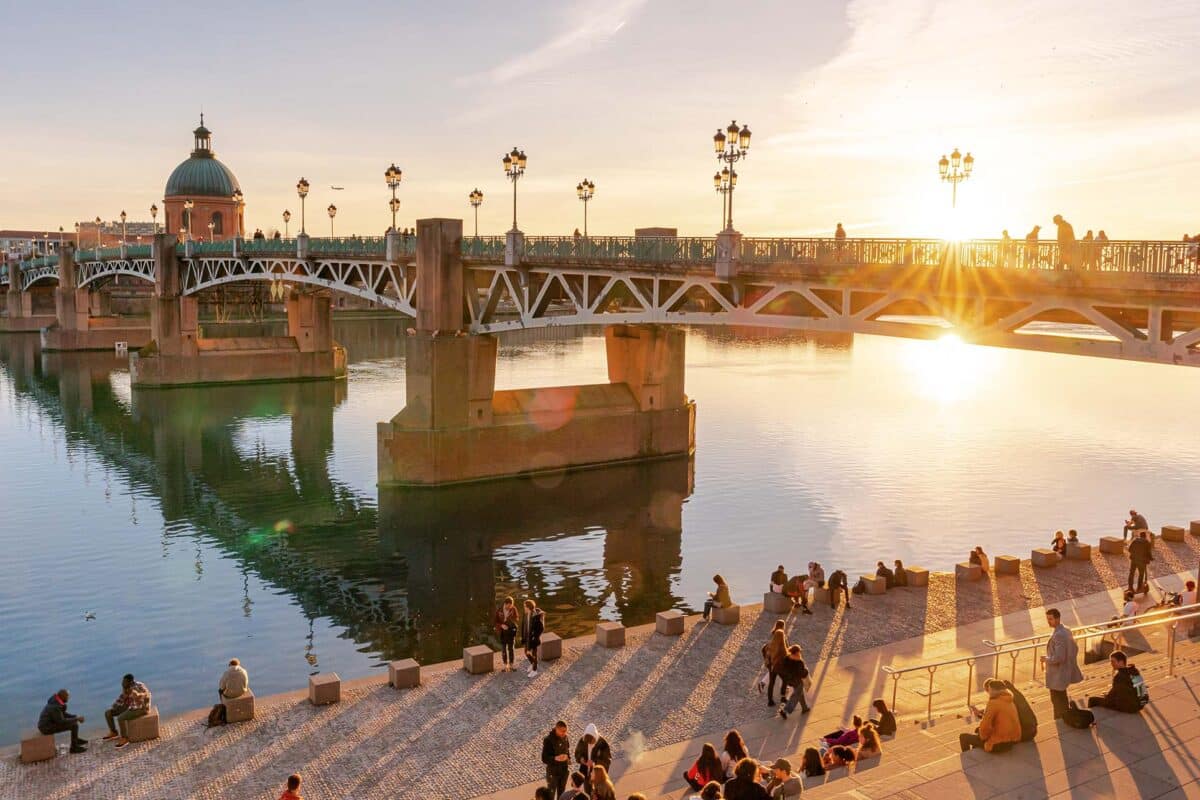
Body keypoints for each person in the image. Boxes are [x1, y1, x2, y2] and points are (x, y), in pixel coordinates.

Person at [959, 679, 1022, 752]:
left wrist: (981, 735)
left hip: (997, 745)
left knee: (963, 737)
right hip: (1010, 742)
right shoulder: (1010, 700)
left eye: (989, 690)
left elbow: (985, 727)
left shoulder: (993, 703)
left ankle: (968, 757)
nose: (988, 692)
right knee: (977, 733)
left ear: (992, 690)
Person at [1041, 608, 1083, 719]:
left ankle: (1061, 718)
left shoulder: (1058, 635)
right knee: (1061, 696)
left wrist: (1046, 659)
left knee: (1056, 698)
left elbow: (1059, 657)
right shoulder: (1066, 630)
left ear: (1058, 618)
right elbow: (1075, 648)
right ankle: (1065, 716)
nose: (1048, 621)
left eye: (1051, 619)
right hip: (1064, 670)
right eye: (1047, 619)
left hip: (1057, 673)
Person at [103, 673, 151, 748]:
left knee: (120, 718)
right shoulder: (126, 687)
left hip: (141, 708)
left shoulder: (139, 685)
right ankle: (113, 732)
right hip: (130, 706)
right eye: (123, 681)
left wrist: (138, 695)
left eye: (124, 681)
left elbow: (147, 694)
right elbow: (122, 698)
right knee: (108, 713)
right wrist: (114, 707)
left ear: (130, 682)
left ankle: (125, 738)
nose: (122, 683)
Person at [38, 689, 87, 753]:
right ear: (63, 697)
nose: (68, 698)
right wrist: (76, 719)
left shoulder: (56, 702)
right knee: (74, 725)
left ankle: (76, 740)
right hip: (46, 728)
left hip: (47, 724)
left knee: (74, 722)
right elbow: (61, 721)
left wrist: (74, 716)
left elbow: (62, 714)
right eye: (67, 696)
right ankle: (74, 748)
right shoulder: (55, 706)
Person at [777, 645, 811, 718]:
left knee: (799, 693)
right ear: (796, 652)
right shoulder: (799, 662)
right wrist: (806, 671)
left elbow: (782, 669)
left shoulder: (786, 658)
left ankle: (804, 707)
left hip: (789, 680)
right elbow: (802, 674)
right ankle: (785, 710)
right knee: (795, 695)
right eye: (799, 651)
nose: (800, 653)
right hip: (797, 681)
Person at [575, 722, 612, 788]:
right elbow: (577, 753)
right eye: (588, 743)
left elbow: (607, 761)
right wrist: (581, 759)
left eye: (591, 743)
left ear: (595, 737)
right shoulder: (583, 740)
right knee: (587, 792)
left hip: (598, 776)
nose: (590, 744)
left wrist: (594, 763)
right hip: (586, 773)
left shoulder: (603, 744)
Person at [761, 620, 789, 706]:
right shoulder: (782, 646)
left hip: (771, 666)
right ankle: (783, 697)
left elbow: (763, 650)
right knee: (785, 679)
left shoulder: (770, 644)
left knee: (772, 683)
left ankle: (770, 701)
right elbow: (786, 654)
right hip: (779, 666)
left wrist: (768, 662)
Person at [541, 720, 572, 798]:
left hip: (563, 771)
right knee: (550, 795)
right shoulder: (548, 740)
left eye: (565, 731)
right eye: (562, 731)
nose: (564, 733)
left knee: (562, 795)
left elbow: (567, 750)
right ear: (556, 729)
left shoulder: (565, 737)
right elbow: (544, 758)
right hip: (553, 773)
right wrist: (555, 758)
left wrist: (568, 758)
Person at [494, 596, 520, 672]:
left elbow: (517, 618)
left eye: (511, 606)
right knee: (503, 649)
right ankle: (505, 665)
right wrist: (501, 625)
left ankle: (511, 665)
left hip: (511, 632)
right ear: (505, 604)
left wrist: (510, 620)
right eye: (509, 606)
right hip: (502, 633)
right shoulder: (499, 610)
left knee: (511, 648)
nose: (510, 607)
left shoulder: (513, 609)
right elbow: (495, 622)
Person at [522, 598, 546, 677]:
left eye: (525, 606)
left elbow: (541, 628)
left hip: (533, 639)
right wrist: (523, 637)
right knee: (526, 652)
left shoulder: (536, 616)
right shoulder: (526, 614)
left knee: (533, 654)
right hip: (527, 638)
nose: (524, 607)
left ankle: (535, 670)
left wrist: (535, 637)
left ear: (529, 607)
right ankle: (533, 664)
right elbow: (524, 626)